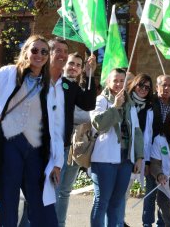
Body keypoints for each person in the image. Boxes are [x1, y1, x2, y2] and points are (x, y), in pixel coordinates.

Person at [0, 28, 61, 226]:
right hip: (8, 146)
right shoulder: (8, 74)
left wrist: (57, 162)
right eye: (34, 50)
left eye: (44, 52)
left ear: (48, 57)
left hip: (37, 151)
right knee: (6, 202)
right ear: (26, 52)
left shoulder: (49, 86)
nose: (39, 55)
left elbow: (55, 127)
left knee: (42, 206)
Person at [90, 68, 144, 226]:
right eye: (115, 80)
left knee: (116, 203)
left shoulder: (131, 104)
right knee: (102, 202)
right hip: (105, 159)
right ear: (108, 82)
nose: (118, 84)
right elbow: (99, 124)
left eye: (122, 81)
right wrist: (115, 107)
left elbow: (137, 132)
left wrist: (139, 157)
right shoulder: (101, 100)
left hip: (126, 160)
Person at [55, 51, 96, 227]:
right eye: (72, 64)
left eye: (78, 66)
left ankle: (59, 224)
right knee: (48, 189)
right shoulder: (56, 82)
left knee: (64, 190)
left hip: (69, 145)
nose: (74, 68)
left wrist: (90, 73)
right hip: (52, 145)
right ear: (64, 64)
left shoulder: (73, 87)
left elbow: (89, 104)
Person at [143, 74, 170, 227]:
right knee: (151, 191)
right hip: (152, 152)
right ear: (157, 86)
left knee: (165, 192)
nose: (166, 88)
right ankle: (147, 223)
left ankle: (162, 223)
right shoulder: (150, 102)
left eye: (169, 86)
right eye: (163, 85)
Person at [121, 73, 154, 225]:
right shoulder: (124, 101)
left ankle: (119, 219)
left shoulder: (150, 107)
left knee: (125, 188)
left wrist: (142, 157)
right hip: (121, 149)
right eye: (141, 85)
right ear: (134, 84)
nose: (143, 89)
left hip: (137, 152)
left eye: (147, 87)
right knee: (116, 189)